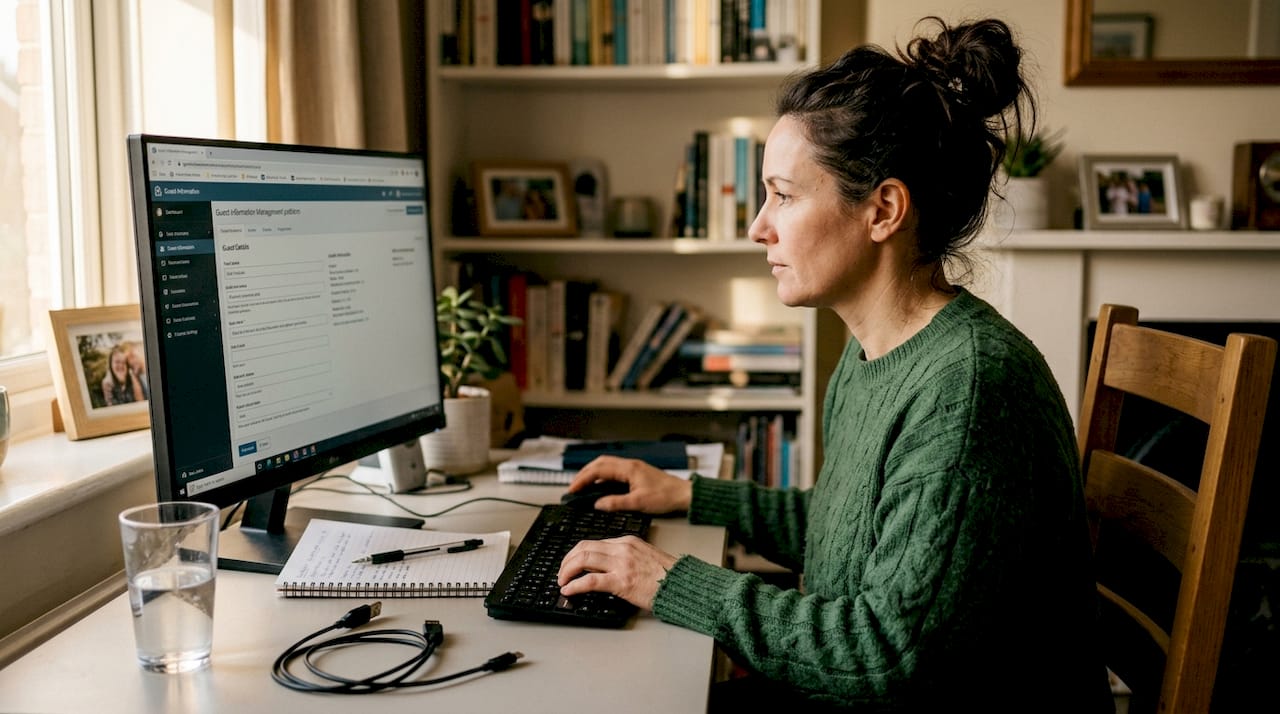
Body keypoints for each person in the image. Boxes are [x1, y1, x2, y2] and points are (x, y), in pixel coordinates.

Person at [557, 17, 1113, 713]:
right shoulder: (877, 345)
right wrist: (691, 496)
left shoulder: (967, 390)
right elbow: (849, 532)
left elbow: (886, 651)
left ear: (883, 209)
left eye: (783, 195)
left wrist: (671, 582)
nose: (759, 225)